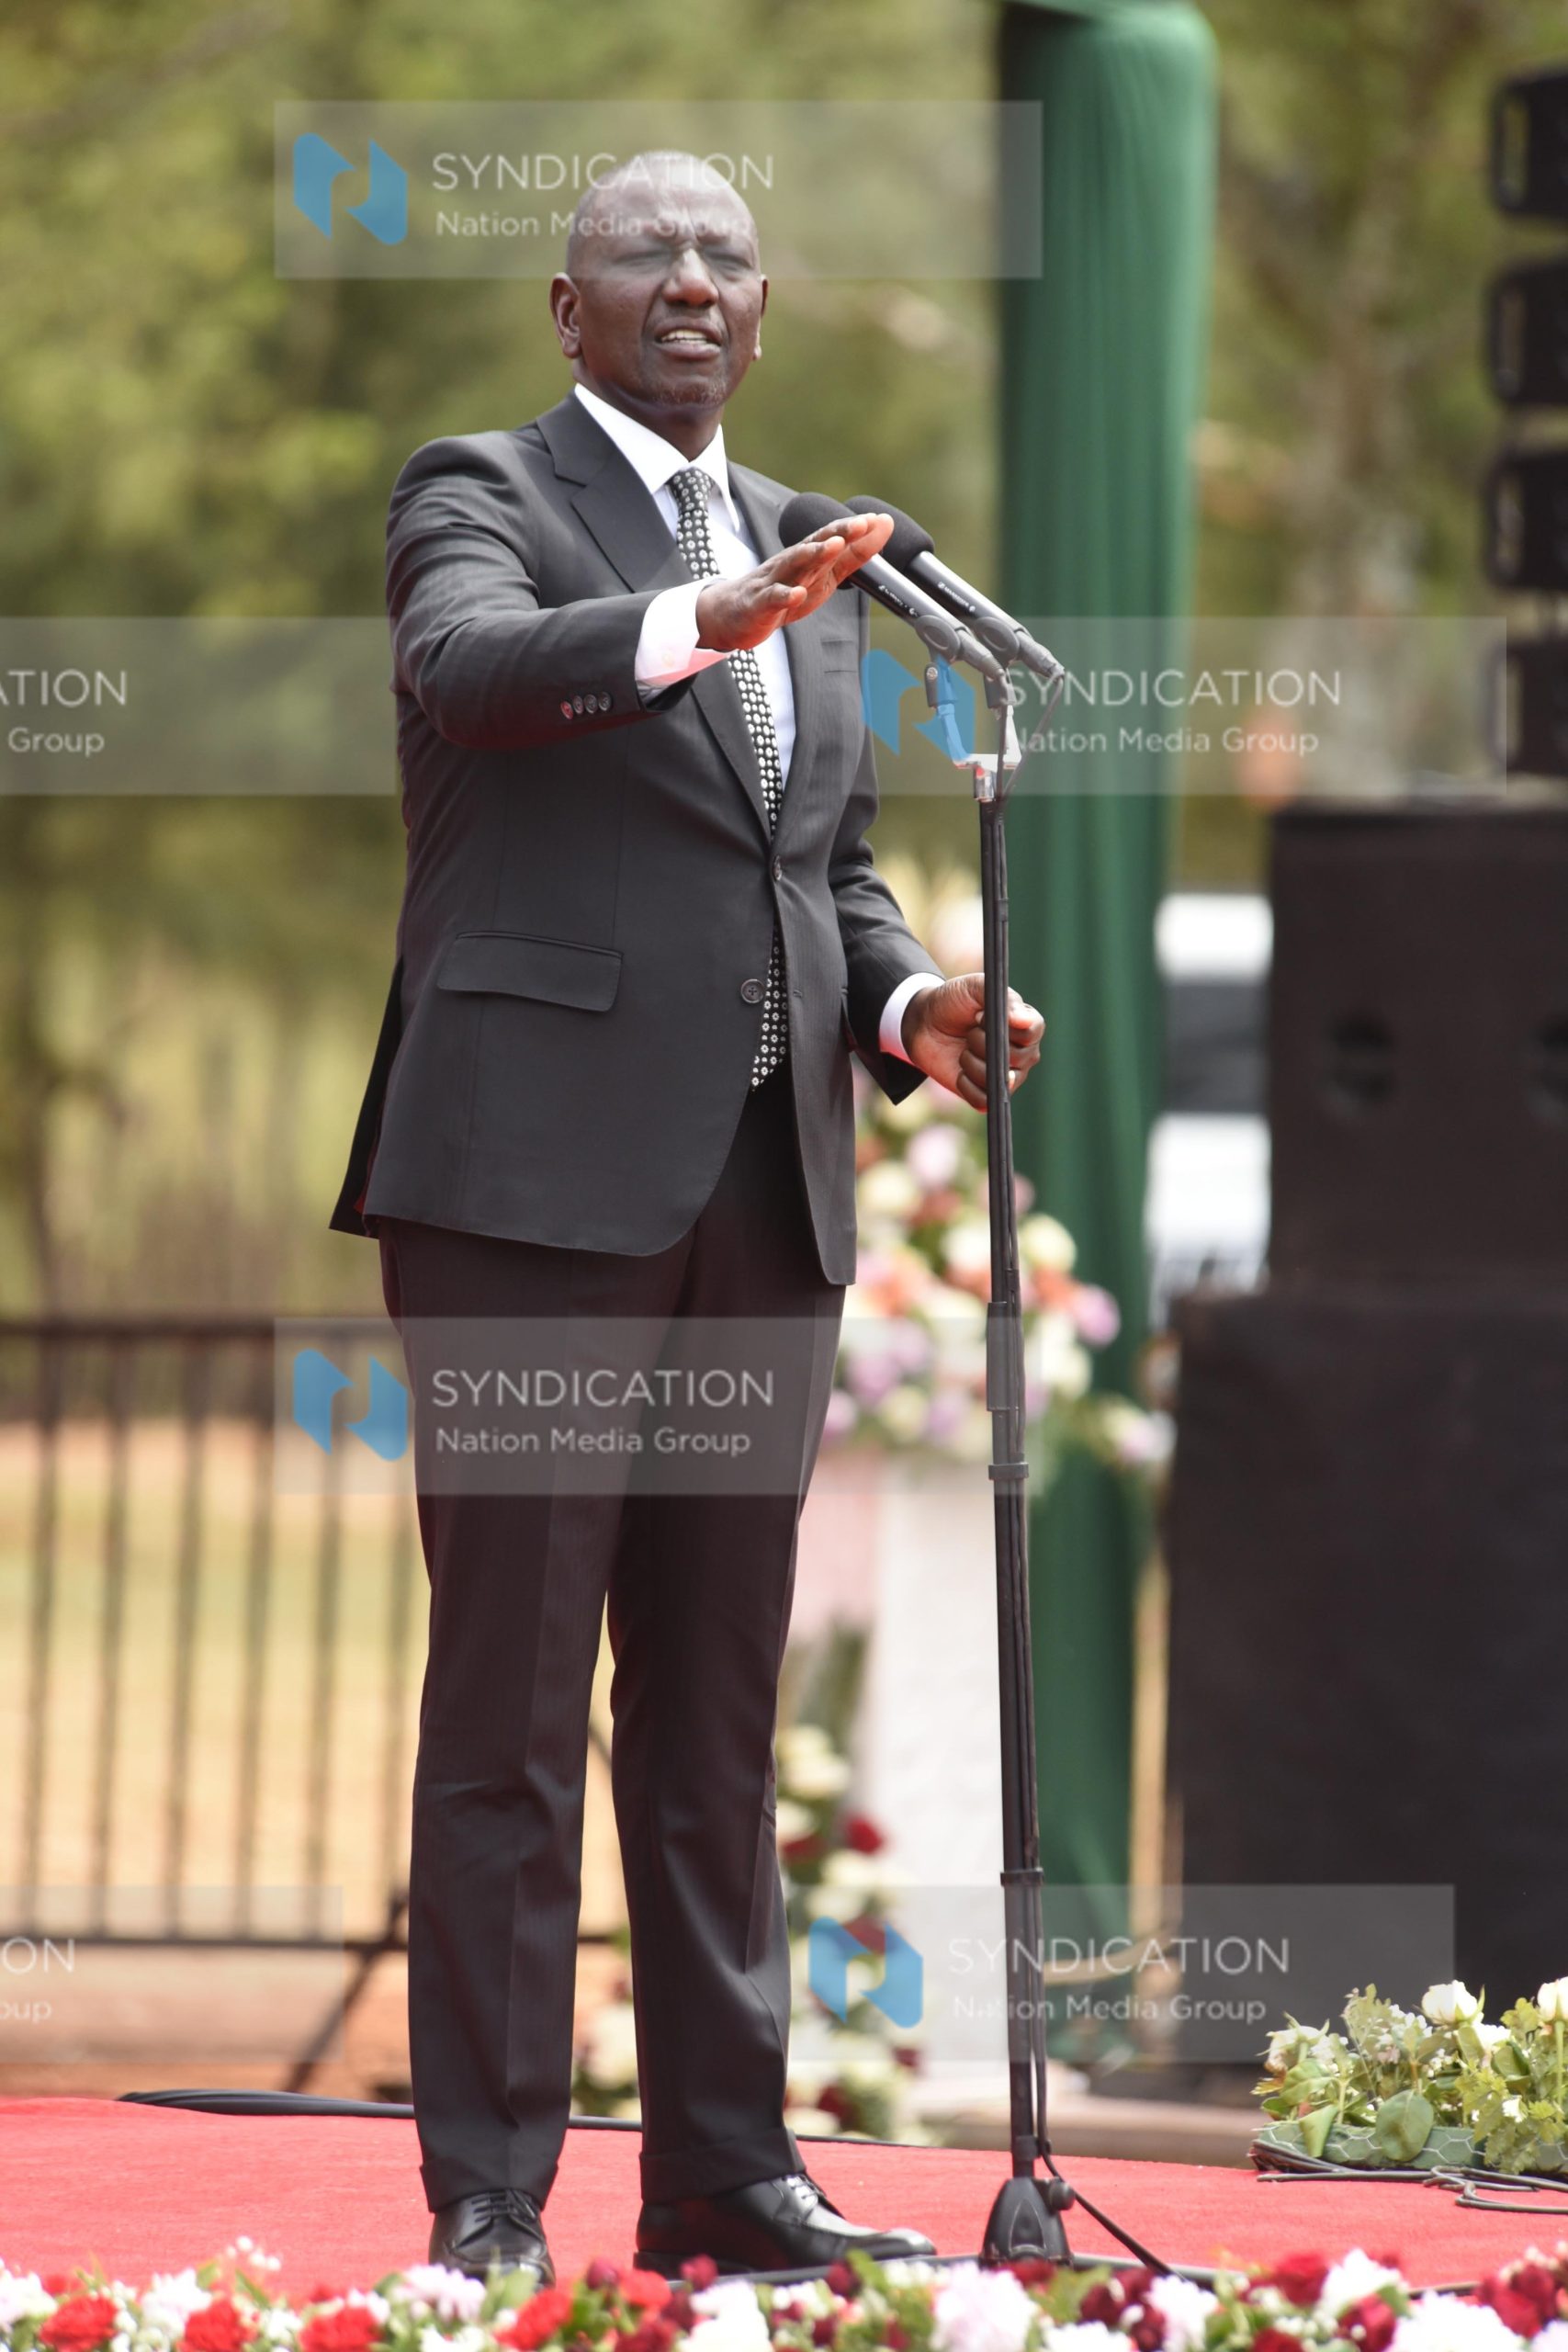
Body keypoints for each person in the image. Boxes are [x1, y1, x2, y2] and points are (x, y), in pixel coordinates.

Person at [331, 149, 1044, 2282]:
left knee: (720, 1709)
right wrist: (694, 620)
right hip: (533, 1192)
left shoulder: (810, 544)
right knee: (514, 1707)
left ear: (766, 300)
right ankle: (489, 2191)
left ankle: (723, 2168)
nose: (693, 285)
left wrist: (911, 999)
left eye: (729, 254)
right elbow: (472, 672)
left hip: (760, 1189)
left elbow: (816, 863)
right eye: (645, 256)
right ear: (569, 308)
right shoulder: (482, 487)